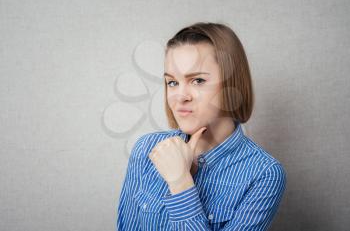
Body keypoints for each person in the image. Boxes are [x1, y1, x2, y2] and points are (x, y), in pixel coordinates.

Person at [116, 22, 286, 231]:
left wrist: (180, 182)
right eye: (172, 82)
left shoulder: (264, 174)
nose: (180, 97)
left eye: (197, 80)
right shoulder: (146, 149)